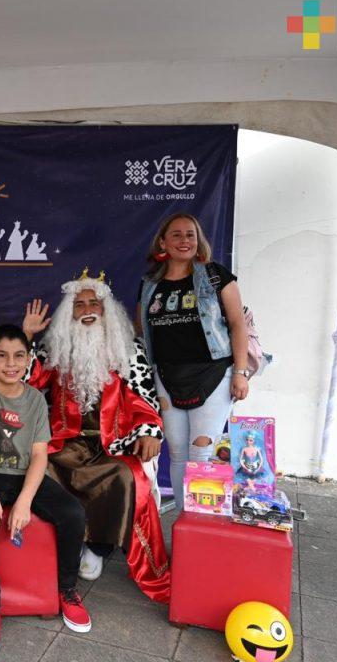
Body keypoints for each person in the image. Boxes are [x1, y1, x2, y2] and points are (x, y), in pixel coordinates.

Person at [21, 269, 171, 603]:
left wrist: (149, 431)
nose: (87, 310)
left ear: (106, 310)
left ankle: (98, 547)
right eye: (79, 304)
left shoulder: (128, 351)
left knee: (125, 475)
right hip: (65, 441)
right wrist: (28, 337)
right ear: (69, 313)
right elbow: (25, 384)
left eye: (94, 303)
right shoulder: (55, 350)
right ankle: (65, 541)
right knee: (43, 467)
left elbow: (143, 399)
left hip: (112, 443)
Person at [0, 325, 90, 657]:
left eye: (19, 356)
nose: (10, 364)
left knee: (73, 513)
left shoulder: (34, 399)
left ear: (28, 359)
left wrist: (24, 502)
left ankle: (66, 589)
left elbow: (39, 455)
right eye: (2, 355)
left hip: (21, 475)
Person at [138, 213, 250, 500]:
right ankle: (183, 517)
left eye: (190, 234)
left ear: (198, 240)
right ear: (162, 242)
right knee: (177, 453)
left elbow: (238, 323)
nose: (184, 240)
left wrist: (240, 372)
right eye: (176, 234)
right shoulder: (150, 283)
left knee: (201, 452)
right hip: (167, 376)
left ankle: (199, 519)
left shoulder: (215, 275)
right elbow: (141, 331)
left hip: (213, 374)